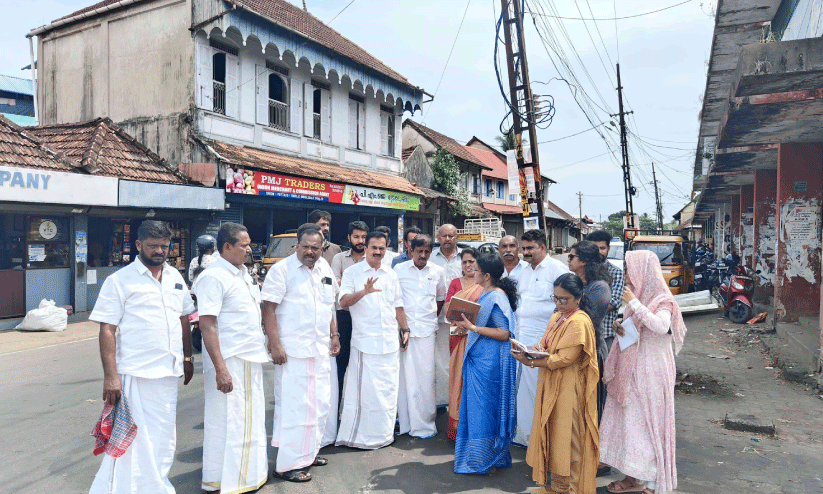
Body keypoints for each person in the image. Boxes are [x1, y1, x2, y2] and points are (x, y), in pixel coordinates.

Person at [89, 220, 195, 494]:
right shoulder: (120, 280)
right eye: (153, 246)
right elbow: (107, 329)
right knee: (134, 439)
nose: (159, 251)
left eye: (164, 245)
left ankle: (156, 487)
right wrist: (111, 376)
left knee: (162, 438)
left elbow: (184, 318)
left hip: (168, 374)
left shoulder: (175, 277)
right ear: (138, 245)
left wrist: (188, 357)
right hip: (135, 374)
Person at [601, 250, 687, 494]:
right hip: (632, 370)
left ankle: (652, 481)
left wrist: (635, 304)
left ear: (644, 272)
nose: (628, 275)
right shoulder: (636, 298)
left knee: (650, 426)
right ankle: (633, 478)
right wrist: (621, 325)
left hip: (652, 372)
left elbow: (660, 327)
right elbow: (636, 326)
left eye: (631, 269)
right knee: (631, 425)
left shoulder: (663, 300)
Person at [262, 223, 340, 482]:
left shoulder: (325, 269)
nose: (310, 251)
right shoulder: (281, 271)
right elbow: (269, 309)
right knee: (295, 408)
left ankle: (308, 453)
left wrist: (334, 335)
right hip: (293, 352)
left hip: (320, 350)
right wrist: (275, 345)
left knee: (319, 405)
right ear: (297, 245)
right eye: (305, 246)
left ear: (322, 248)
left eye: (315, 248)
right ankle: (286, 465)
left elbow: (328, 306)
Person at [195, 222, 269, 494]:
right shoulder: (214, 276)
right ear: (227, 247)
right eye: (245, 245)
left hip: (250, 357)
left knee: (247, 421)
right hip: (230, 361)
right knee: (226, 422)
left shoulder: (242, 274)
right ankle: (221, 480)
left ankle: (245, 477)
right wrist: (221, 370)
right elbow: (207, 325)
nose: (250, 250)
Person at [517, 273, 600, 494]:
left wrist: (531, 362)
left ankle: (573, 488)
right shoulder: (557, 317)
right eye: (556, 298)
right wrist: (530, 350)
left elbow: (565, 359)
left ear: (578, 298)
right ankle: (558, 486)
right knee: (553, 434)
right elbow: (546, 345)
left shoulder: (579, 321)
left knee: (570, 439)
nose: (559, 303)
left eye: (564, 299)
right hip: (552, 381)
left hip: (569, 387)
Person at [336, 231, 410, 449]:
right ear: (365, 248)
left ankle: (383, 435)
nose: (378, 252)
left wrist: (405, 328)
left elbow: (398, 305)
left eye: (382, 248)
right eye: (374, 248)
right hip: (364, 343)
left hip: (388, 342)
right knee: (364, 394)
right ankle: (359, 438)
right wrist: (364, 292)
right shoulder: (352, 272)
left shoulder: (391, 274)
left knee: (387, 392)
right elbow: (343, 302)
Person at [452, 253, 518, 475]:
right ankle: (485, 457)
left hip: (490, 365)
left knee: (484, 410)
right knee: (479, 409)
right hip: (481, 361)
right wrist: (467, 326)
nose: (472, 272)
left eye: (477, 269)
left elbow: (504, 332)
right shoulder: (488, 293)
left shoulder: (496, 297)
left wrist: (473, 329)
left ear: (487, 275)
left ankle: (485, 460)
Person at [513, 229, 569, 448]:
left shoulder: (557, 270)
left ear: (543, 248)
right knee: (522, 391)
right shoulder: (522, 271)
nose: (525, 252)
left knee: (539, 390)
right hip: (521, 337)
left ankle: (540, 439)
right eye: (523, 248)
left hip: (542, 340)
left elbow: (567, 306)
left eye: (530, 248)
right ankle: (524, 435)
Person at [395, 234, 447, 438]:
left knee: (425, 378)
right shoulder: (399, 270)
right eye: (419, 251)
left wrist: (430, 317)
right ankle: (406, 423)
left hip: (426, 330)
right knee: (405, 378)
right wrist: (403, 326)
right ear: (411, 251)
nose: (423, 255)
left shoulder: (438, 271)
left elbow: (441, 299)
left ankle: (425, 424)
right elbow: (395, 299)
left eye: (427, 251)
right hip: (404, 329)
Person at [568, 240, 612, 422]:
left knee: (590, 407)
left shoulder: (599, 287)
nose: (568, 260)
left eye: (571, 256)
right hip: (571, 349)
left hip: (590, 350)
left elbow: (585, 319)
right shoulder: (574, 283)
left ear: (584, 260)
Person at [443, 247, 483, 441]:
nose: (469, 265)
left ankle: (473, 429)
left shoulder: (484, 283)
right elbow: (447, 308)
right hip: (457, 336)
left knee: (473, 381)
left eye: (472, 261)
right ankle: (456, 430)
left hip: (478, 337)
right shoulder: (455, 283)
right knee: (457, 379)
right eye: (465, 262)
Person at [330, 221, 369, 399]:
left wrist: (348, 284)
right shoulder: (339, 258)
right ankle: (336, 411)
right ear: (349, 238)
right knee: (340, 364)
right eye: (356, 237)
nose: (360, 240)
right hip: (344, 316)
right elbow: (336, 287)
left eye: (363, 237)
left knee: (364, 365)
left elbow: (344, 284)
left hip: (365, 317)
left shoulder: (373, 258)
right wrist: (359, 290)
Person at [430, 223, 462, 406]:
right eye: (444, 236)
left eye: (452, 236)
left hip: (461, 318)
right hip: (439, 317)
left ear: (456, 237)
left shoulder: (464, 259)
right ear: (438, 237)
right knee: (441, 359)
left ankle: (458, 399)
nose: (448, 239)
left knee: (458, 357)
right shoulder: (431, 258)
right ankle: (444, 400)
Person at [587, 230, 625, 353]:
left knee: (605, 370)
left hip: (606, 335)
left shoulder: (616, 273)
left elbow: (612, 304)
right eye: (594, 248)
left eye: (602, 248)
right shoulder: (581, 270)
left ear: (608, 249)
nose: (599, 252)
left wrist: (582, 309)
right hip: (582, 333)